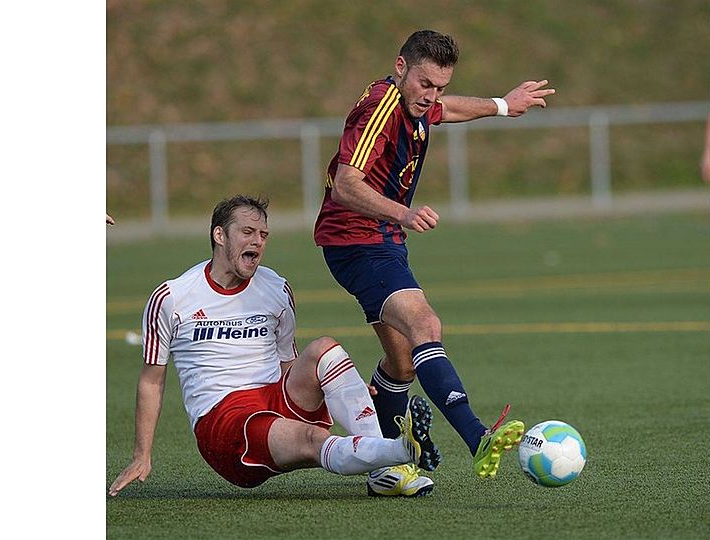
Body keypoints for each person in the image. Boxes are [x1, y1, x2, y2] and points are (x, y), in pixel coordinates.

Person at [313, 29, 554, 488]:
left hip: (378, 239)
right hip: (357, 241)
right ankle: (478, 436)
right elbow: (346, 184)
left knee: (402, 366)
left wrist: (502, 105)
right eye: (426, 83)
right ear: (401, 68)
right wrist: (404, 213)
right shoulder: (378, 110)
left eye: (440, 85)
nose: (432, 96)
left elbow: (448, 109)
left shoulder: (417, 101)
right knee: (426, 325)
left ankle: (387, 467)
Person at [109, 195, 440, 498]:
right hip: (223, 423)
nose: (257, 241)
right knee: (313, 441)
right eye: (248, 232)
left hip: (273, 397)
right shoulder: (171, 297)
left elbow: (289, 364)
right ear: (219, 235)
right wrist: (142, 455)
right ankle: (401, 452)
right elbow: (152, 380)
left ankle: (384, 472)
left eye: (263, 235)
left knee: (325, 348)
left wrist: (343, 386)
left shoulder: (276, 288)